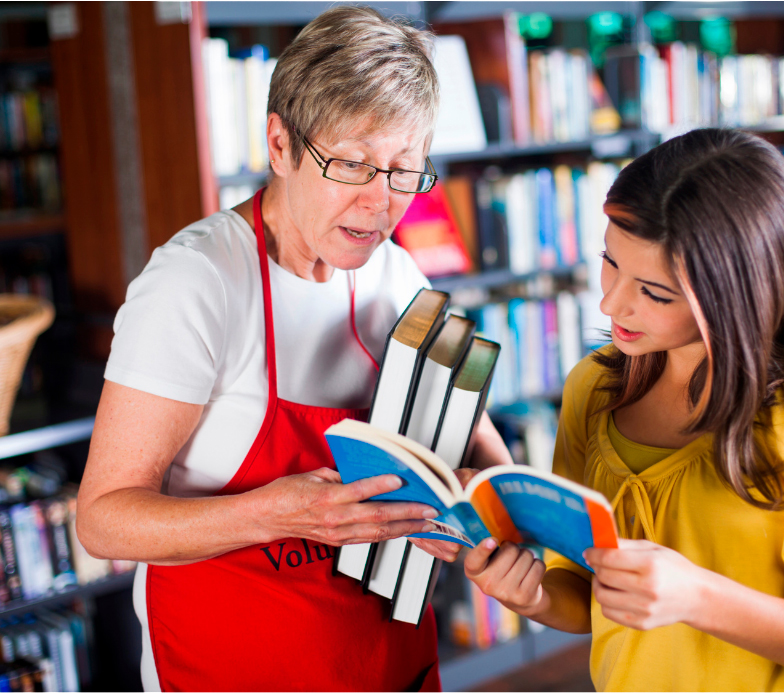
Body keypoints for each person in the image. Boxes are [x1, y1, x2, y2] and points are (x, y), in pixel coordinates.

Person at [76, 7, 511, 691]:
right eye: (353, 165)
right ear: (280, 144)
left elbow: (475, 446)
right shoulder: (198, 282)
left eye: (404, 171)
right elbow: (103, 519)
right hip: (230, 665)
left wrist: (477, 517)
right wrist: (276, 513)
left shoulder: (396, 274)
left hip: (385, 660)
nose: (380, 203)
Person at [462, 128, 784, 691]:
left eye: (655, 293)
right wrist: (532, 594)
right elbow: (586, 598)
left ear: (734, 293)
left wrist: (698, 597)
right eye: (610, 262)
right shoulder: (592, 388)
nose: (611, 303)